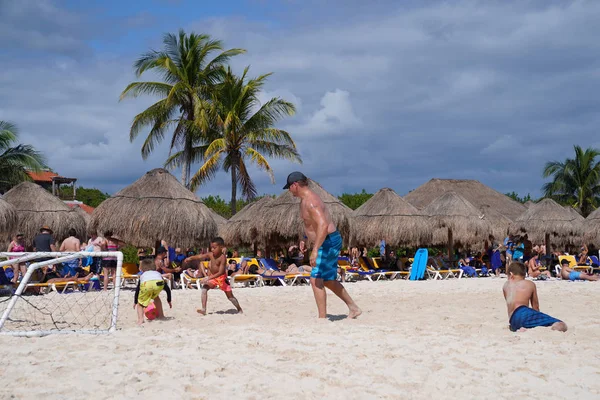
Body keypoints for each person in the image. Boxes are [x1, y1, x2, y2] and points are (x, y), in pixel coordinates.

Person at [284, 171, 361, 319]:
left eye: (289, 187)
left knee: (316, 279)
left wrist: (315, 249)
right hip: (326, 241)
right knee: (328, 280)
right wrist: (305, 238)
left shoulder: (311, 201)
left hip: (328, 241)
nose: (289, 190)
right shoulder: (304, 200)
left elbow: (323, 225)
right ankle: (353, 307)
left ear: (295, 185)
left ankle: (322, 318)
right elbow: (311, 224)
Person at [183, 237, 243, 315]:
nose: (212, 249)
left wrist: (208, 277)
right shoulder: (210, 254)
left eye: (214, 248)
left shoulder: (222, 258)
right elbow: (200, 256)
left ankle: (239, 309)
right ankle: (204, 309)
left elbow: (221, 272)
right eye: (211, 248)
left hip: (222, 278)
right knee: (204, 289)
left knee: (230, 297)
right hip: (213, 278)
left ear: (221, 247)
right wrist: (190, 258)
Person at [502, 262, 567, 332]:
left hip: (513, 321)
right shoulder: (530, 284)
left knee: (525, 322)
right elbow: (535, 306)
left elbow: (510, 306)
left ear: (511, 274)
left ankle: (523, 327)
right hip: (523, 313)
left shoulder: (506, 286)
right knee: (561, 324)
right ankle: (554, 329)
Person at [133, 259, 172, 325]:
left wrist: (135, 301)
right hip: (158, 284)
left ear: (142, 269)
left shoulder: (143, 275)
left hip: (147, 284)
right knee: (156, 298)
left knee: (140, 304)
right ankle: (161, 315)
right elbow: (167, 288)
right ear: (155, 268)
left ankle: (140, 320)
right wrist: (169, 300)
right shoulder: (158, 273)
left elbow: (138, 289)